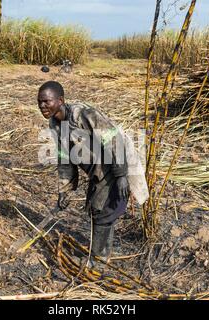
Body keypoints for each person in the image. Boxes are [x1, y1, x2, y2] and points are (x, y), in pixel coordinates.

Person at [37, 80, 131, 265]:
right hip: (96, 171)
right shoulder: (55, 125)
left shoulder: (83, 114)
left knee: (102, 212)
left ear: (60, 100)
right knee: (98, 210)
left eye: (46, 101)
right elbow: (65, 158)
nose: (42, 106)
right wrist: (65, 190)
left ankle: (97, 260)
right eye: (39, 102)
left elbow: (114, 139)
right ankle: (103, 254)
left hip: (114, 164)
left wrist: (121, 175)